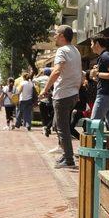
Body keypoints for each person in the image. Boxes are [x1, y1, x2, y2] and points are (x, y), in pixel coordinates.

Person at [40, 25, 82, 169]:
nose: (54, 37)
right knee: (59, 125)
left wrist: (45, 89)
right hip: (72, 94)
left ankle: (69, 159)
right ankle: (66, 154)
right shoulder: (75, 50)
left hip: (63, 95)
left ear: (63, 36)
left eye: (56, 34)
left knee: (62, 128)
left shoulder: (61, 51)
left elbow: (57, 71)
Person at [89, 34, 109, 133]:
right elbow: (106, 77)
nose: (91, 46)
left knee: (93, 124)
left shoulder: (105, 56)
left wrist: (97, 73)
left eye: (91, 43)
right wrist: (96, 76)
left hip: (104, 96)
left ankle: (92, 147)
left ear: (97, 43)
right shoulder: (104, 56)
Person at [34, 68, 54, 137]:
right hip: (51, 100)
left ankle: (45, 128)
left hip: (42, 99)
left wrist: (39, 74)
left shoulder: (41, 78)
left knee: (43, 116)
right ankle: (48, 128)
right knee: (52, 115)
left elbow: (33, 80)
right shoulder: (52, 78)